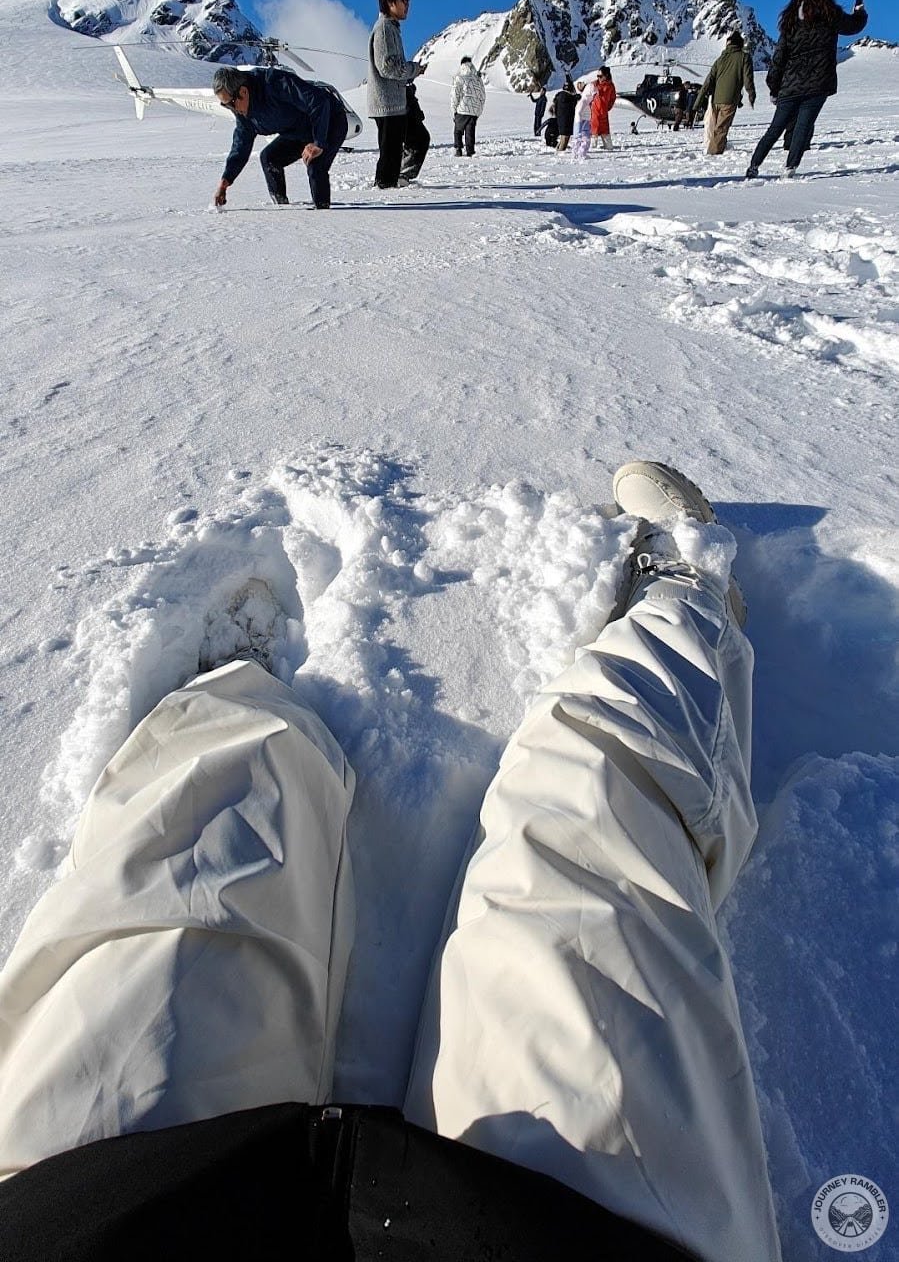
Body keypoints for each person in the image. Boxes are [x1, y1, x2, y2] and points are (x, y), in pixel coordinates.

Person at [0, 462, 782, 1262]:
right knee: (590, 849)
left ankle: (232, 710)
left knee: (168, 904)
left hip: (106, 1218)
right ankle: (683, 609)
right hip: (561, 1235)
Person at [746, 0, 867, 178]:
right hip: (818, 83)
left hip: (790, 84)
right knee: (803, 125)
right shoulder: (831, 15)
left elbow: (779, 58)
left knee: (775, 128)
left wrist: (774, 87)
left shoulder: (791, 20)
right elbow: (854, 26)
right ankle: (790, 168)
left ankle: (754, 165)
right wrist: (860, 12)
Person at [211, 66, 348, 210]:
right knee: (269, 158)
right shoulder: (243, 113)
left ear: (243, 92)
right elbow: (241, 146)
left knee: (315, 164)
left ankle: (323, 214)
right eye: (225, 105)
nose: (231, 109)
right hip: (298, 130)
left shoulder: (273, 82)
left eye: (231, 103)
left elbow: (318, 101)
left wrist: (318, 142)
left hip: (329, 120)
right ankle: (282, 210)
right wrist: (225, 182)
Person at [367, 0, 426, 189]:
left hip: (396, 102)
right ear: (391, 1)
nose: (407, 5)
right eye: (404, 0)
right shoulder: (384, 29)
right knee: (390, 154)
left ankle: (398, 179)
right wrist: (413, 69)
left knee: (418, 139)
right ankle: (385, 190)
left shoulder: (391, 28)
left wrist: (411, 73)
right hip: (387, 104)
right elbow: (388, 67)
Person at [692, 32, 756, 154]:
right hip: (729, 100)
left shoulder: (720, 60)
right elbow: (748, 79)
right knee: (721, 129)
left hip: (715, 100)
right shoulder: (744, 57)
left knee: (715, 128)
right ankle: (713, 154)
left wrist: (697, 103)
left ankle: (719, 147)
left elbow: (707, 82)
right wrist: (751, 95)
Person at [450, 56, 487, 157]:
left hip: (462, 109)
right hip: (474, 110)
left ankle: (458, 149)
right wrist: (478, 111)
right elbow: (482, 96)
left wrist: (454, 109)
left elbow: (455, 95)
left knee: (458, 130)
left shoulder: (459, 77)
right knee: (470, 131)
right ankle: (470, 151)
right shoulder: (478, 79)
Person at [400, 79, 431, 185]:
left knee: (418, 139)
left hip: (405, 99)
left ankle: (403, 172)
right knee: (418, 139)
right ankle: (403, 173)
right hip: (400, 102)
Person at [590, 64, 617, 148]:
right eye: (597, 76)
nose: (599, 78)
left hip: (603, 113)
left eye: (600, 76)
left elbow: (613, 98)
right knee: (593, 135)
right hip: (594, 113)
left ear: (606, 75)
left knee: (607, 140)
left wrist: (607, 107)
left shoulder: (610, 86)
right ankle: (592, 150)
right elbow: (585, 92)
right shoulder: (594, 84)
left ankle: (608, 148)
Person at [570, 77, 595, 160]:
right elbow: (578, 111)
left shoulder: (586, 97)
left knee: (584, 137)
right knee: (582, 137)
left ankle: (580, 153)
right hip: (582, 119)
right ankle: (579, 153)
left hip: (585, 118)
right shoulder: (584, 98)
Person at [553, 72, 578, 150]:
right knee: (565, 138)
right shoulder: (569, 98)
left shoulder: (559, 96)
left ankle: (558, 149)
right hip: (567, 121)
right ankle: (560, 151)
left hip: (560, 121)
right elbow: (574, 104)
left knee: (562, 137)